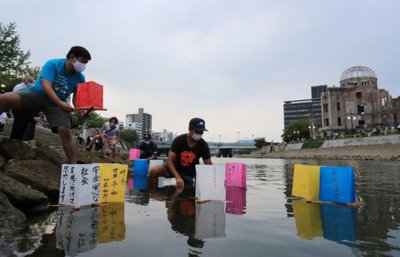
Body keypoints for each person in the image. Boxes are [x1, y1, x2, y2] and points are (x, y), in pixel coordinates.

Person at [0, 46, 92, 163]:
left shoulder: (80, 78)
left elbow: (77, 99)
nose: (84, 65)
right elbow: (46, 86)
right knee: (4, 99)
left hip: (56, 105)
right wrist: (60, 103)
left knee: (65, 131)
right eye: (83, 61)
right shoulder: (53, 64)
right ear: (72, 57)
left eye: (86, 63)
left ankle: (73, 165)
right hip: (37, 94)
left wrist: (82, 110)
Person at [149, 117, 212, 189]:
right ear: (190, 129)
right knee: (155, 171)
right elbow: (169, 161)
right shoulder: (179, 140)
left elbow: (209, 165)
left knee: (187, 192)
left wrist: (216, 178)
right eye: (197, 131)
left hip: (190, 173)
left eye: (201, 132)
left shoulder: (203, 145)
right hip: (175, 169)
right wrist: (177, 177)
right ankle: (154, 192)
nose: (200, 134)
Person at [10, 75, 39, 141]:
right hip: (19, 110)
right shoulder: (19, 87)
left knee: (23, 127)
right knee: (17, 127)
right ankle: (14, 140)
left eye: (31, 81)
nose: (31, 82)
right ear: (24, 80)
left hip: (25, 111)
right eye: (30, 81)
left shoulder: (30, 88)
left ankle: (19, 140)